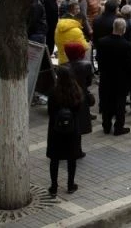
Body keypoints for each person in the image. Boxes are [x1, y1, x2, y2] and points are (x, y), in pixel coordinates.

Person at [46, 67, 82, 196]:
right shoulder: (76, 92)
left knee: (54, 159)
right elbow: (78, 111)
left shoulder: (53, 92)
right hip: (72, 130)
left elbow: (50, 112)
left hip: (56, 131)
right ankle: (70, 185)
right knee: (71, 158)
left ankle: (54, 187)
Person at [96, 18, 131, 135]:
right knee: (120, 103)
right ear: (123, 29)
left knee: (106, 101)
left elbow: (98, 58)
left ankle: (106, 126)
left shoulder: (102, 42)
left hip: (106, 77)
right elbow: (130, 64)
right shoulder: (126, 45)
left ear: (113, 27)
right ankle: (118, 127)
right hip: (121, 79)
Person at [64, 42, 94, 147]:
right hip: (82, 97)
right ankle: (78, 148)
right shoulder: (86, 65)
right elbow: (89, 82)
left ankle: (71, 146)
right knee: (80, 124)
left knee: (69, 122)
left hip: (68, 98)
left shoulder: (63, 67)